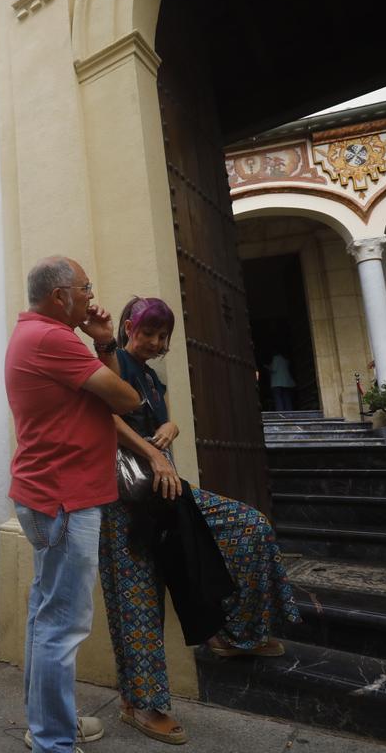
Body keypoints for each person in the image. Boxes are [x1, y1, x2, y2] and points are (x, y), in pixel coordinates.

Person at [101, 296, 301, 745]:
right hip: (124, 499)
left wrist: (171, 428)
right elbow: (106, 417)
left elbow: (157, 422)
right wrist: (154, 450)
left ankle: (237, 633)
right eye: (146, 332)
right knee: (137, 598)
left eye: (161, 335)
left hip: (168, 494)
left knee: (249, 526)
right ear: (128, 327)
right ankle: (138, 703)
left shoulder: (152, 377)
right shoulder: (113, 363)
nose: (154, 342)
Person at [4, 256, 142, 753]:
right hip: (64, 499)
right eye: (85, 287)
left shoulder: (43, 335)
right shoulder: (53, 339)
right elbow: (127, 398)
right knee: (61, 624)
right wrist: (105, 342)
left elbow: (105, 398)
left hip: (51, 496)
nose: (90, 296)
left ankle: (48, 721)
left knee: (47, 616)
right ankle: (53, 741)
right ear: (60, 295)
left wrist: (103, 342)